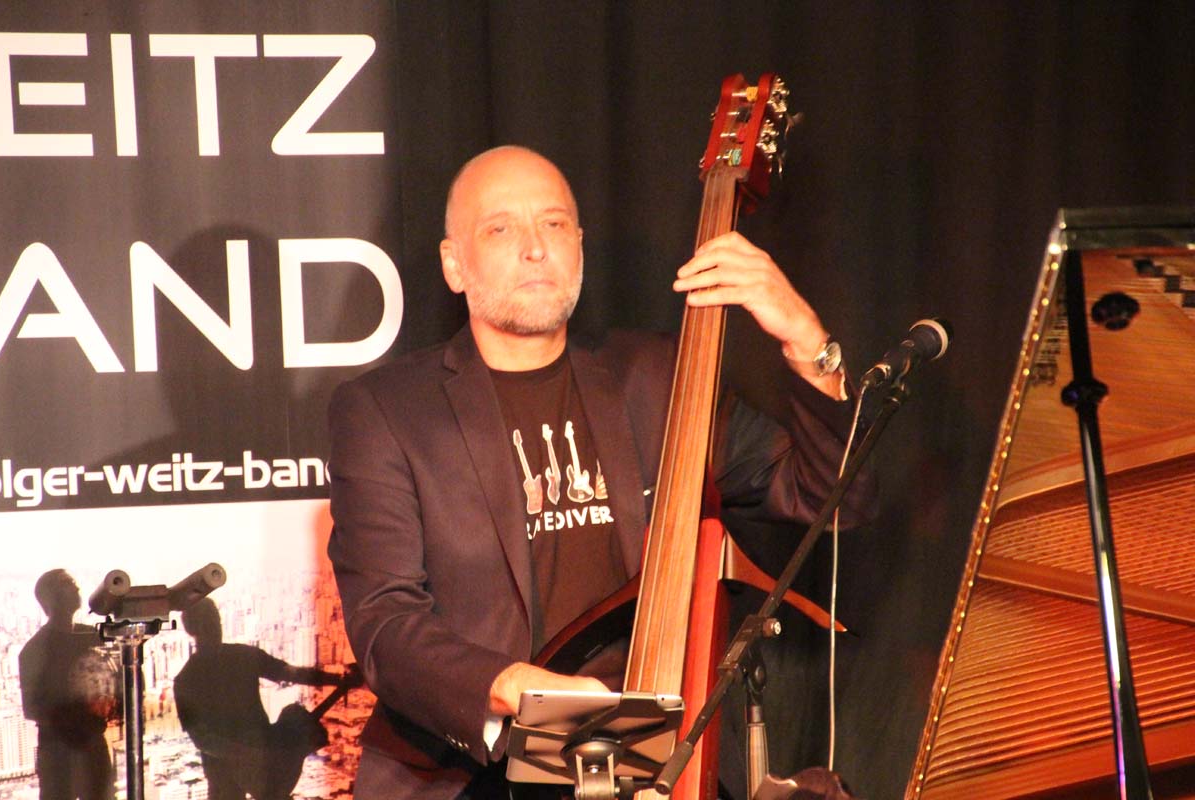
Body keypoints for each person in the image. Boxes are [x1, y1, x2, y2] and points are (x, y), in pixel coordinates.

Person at [327, 145, 872, 800]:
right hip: (473, 771)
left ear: (579, 246)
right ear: (454, 264)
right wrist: (520, 690)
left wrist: (806, 340)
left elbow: (831, 498)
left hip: (643, 765)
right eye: (501, 229)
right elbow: (386, 623)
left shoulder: (658, 376)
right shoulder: (385, 411)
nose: (536, 248)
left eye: (554, 224)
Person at [174, 597, 360, 800]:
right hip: (237, 771)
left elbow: (290, 673)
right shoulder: (197, 675)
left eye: (216, 620)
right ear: (194, 629)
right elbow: (201, 738)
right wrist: (247, 754)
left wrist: (336, 678)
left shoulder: (190, 677)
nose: (215, 627)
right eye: (210, 622)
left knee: (294, 716)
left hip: (252, 764)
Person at [19, 570, 115, 800]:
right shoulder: (35, 650)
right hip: (59, 753)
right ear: (50, 598)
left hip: (91, 745)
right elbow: (32, 708)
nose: (76, 588)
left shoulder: (92, 636)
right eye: (67, 583)